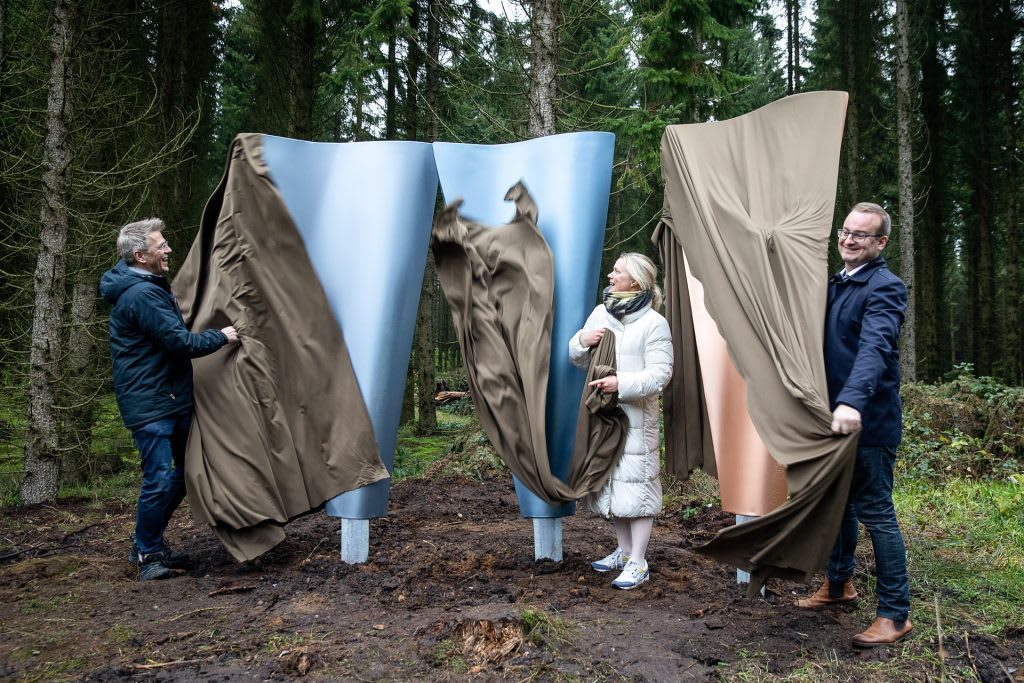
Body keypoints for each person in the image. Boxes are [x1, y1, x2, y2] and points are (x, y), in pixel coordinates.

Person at [795, 202, 912, 647]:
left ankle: (895, 614)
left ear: (880, 243)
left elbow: (874, 350)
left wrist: (850, 403)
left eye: (861, 235)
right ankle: (839, 585)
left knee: (877, 513)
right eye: (845, 231)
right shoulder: (834, 285)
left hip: (867, 421)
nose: (848, 239)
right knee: (840, 507)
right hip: (831, 419)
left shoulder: (885, 287)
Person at [100, 218, 239, 580]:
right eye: (161, 246)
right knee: (160, 477)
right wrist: (222, 337)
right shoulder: (141, 294)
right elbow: (180, 342)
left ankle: (148, 544)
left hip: (168, 398)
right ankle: (147, 556)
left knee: (180, 475)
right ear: (140, 255)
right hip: (151, 405)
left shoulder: (146, 285)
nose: (168, 250)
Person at [569, 252, 673, 590]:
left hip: (636, 420)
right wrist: (582, 342)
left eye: (618, 271)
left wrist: (621, 385)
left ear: (636, 282)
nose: (611, 276)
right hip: (604, 416)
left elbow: (661, 374)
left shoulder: (654, 324)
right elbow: (576, 357)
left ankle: (639, 561)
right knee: (614, 484)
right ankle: (624, 551)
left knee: (638, 488)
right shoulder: (602, 313)